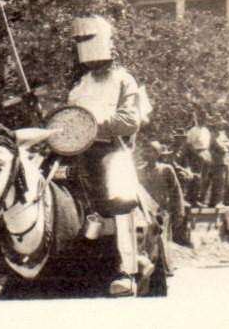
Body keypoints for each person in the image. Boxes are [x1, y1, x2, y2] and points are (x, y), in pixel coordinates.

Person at [68, 15, 146, 296]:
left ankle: (125, 269)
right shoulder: (79, 86)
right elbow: (67, 119)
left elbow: (130, 121)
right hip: (75, 150)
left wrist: (92, 123)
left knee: (120, 194)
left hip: (110, 148)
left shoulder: (124, 80)